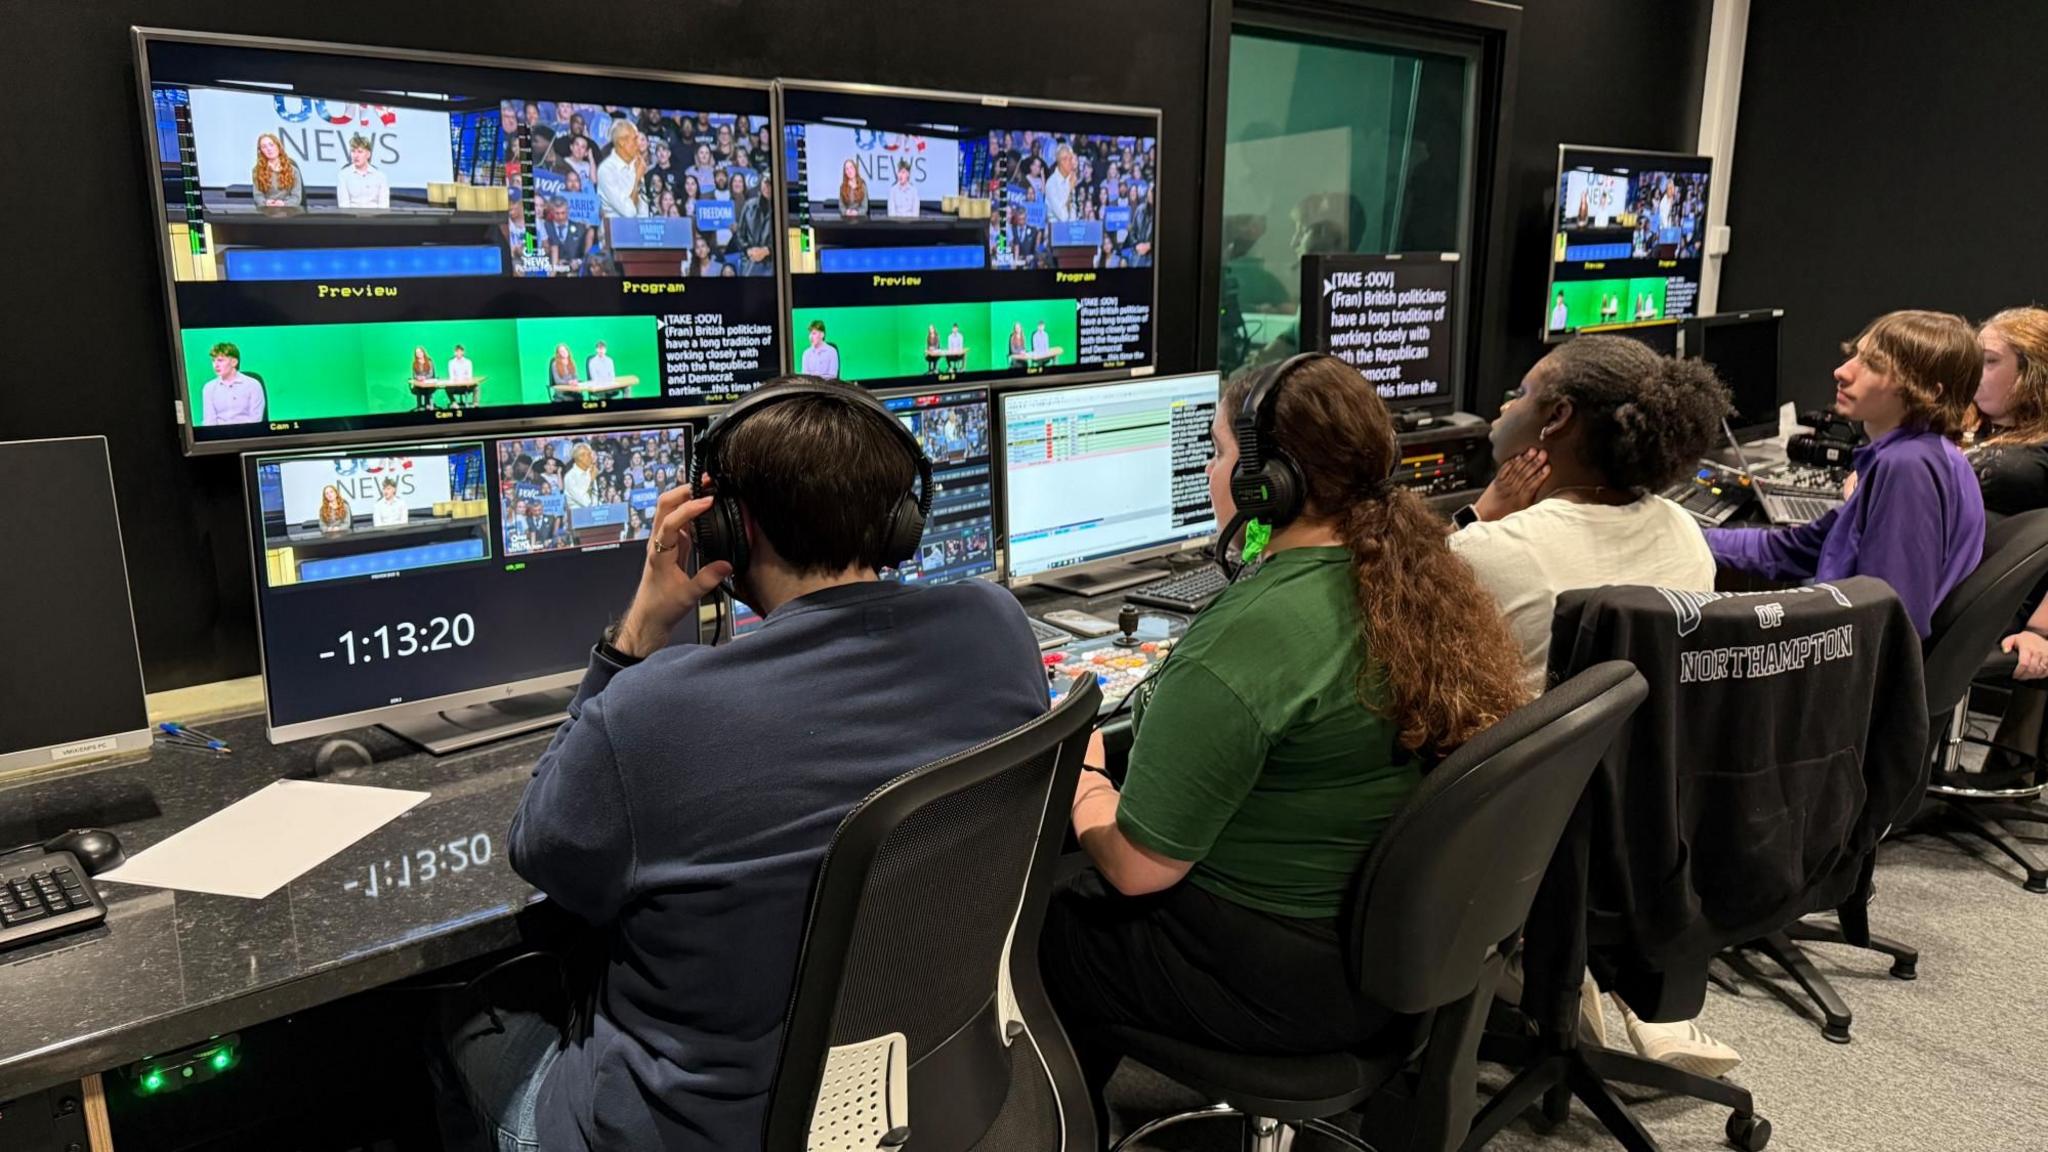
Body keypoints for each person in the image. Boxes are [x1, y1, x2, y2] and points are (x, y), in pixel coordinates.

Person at [435, 377, 1047, 1151]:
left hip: (701, 1132)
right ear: (901, 521)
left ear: (728, 528)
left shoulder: (653, 710)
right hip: (932, 1090)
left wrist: (638, 631)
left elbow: (543, 851)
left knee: (462, 1017)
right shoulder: (998, 628)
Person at [1039, 354, 1527, 1129]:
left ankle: (1062, 1130)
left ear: (1270, 484)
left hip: (1281, 982)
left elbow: (1136, 870)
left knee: (1044, 912)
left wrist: (1085, 783)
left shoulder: (1251, 638)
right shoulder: (1411, 576)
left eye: (1219, 450)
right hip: (1389, 956)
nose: (1208, 467)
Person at [1710, 310, 1986, 638]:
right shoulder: (1924, 454)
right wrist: (1689, 533)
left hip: (1855, 672)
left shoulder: (1908, 468)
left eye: (1872, 364)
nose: (1842, 371)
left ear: (1931, 392)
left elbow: (1887, 622)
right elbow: (1797, 548)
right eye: (1854, 356)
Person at [1967, 307, 2048, 520]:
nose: (1973, 371)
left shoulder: (2036, 455)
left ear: (2034, 371)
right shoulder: (1950, 423)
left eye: (1989, 361)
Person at [200, 341, 265, 425]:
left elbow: (256, 419)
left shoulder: (253, 385)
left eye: (220, 360)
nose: (215, 365)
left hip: (247, 434)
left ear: (234, 362)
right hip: (220, 436)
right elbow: (209, 421)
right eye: (213, 360)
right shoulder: (209, 388)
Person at [597, 120, 648, 219]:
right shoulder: (606, 170)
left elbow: (643, 208)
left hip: (638, 230)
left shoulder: (637, 164)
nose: (639, 143)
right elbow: (629, 212)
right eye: (635, 139)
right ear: (622, 142)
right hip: (614, 230)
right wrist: (637, 179)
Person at [336, 134, 390, 209]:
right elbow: (343, 205)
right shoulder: (343, 175)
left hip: (375, 219)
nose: (356, 156)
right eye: (353, 151)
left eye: (360, 152)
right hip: (352, 219)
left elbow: (384, 206)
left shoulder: (380, 177)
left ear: (368, 154)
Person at [251, 133, 302, 208]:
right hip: (267, 211)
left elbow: (296, 198)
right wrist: (266, 203)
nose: (269, 149)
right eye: (264, 147)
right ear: (261, 151)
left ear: (278, 146)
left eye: (271, 145)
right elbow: (258, 196)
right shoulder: (257, 171)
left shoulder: (293, 170)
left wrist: (284, 204)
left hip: (288, 211)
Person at [541, 197, 590, 273]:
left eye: (563, 213)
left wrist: (579, 261)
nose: (560, 217)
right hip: (551, 272)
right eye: (557, 213)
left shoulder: (580, 228)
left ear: (568, 211)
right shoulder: (544, 227)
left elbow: (587, 254)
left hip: (574, 273)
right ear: (552, 212)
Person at [1045, 144, 1078, 224]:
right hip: (1055, 229)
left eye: (1070, 159)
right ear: (1058, 162)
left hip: (1070, 230)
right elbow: (1063, 217)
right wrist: (1069, 189)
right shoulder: (1051, 184)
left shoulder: (1070, 179)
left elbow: (1073, 210)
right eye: (1064, 159)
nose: (1068, 162)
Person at [564, 442, 599, 509]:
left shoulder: (590, 472)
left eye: (589, 454)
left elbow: (595, 498)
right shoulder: (570, 477)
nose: (589, 458)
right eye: (583, 455)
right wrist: (591, 480)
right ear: (577, 458)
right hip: (577, 515)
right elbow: (585, 501)